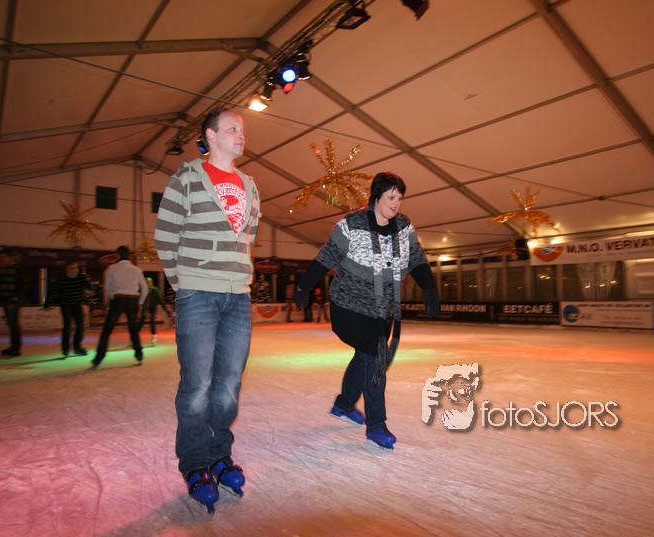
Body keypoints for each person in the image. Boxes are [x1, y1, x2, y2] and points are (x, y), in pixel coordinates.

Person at [154, 107, 260, 513]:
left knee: (228, 386)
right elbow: (166, 236)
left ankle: (219, 454)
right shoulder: (186, 179)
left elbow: (248, 236)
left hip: (238, 296)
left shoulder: (250, 185)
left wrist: (239, 277)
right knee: (197, 386)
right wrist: (185, 284)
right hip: (198, 293)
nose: (240, 134)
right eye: (232, 128)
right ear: (210, 136)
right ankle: (196, 462)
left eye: (242, 129)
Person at [294, 172, 440, 450]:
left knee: (365, 357)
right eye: (391, 197)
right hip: (349, 307)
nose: (396, 203)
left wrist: (430, 289)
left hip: (383, 311)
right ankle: (376, 425)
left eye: (399, 198)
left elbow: (416, 258)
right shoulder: (352, 224)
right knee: (374, 358)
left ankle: (344, 404)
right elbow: (326, 257)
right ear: (376, 196)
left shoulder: (403, 226)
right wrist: (304, 286)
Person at [91, 246, 149, 368]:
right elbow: (145, 288)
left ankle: (98, 358)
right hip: (133, 300)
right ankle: (139, 355)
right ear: (129, 256)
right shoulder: (137, 270)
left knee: (107, 330)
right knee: (133, 329)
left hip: (118, 299)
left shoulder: (111, 268)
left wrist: (114, 298)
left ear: (117, 255)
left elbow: (107, 287)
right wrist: (140, 303)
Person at [44, 261, 92, 357]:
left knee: (80, 327)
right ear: (67, 269)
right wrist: (47, 303)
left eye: (76, 268)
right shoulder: (61, 279)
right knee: (67, 327)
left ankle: (77, 348)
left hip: (77, 305)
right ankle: (65, 349)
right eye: (72, 268)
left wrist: (90, 290)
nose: (74, 270)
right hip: (66, 306)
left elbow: (90, 286)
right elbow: (53, 291)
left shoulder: (81, 278)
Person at [0, 247, 24, 357]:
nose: (2, 259)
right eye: (0, 258)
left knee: (13, 324)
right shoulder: (2, 269)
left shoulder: (18, 268)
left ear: (10, 257)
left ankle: (16, 348)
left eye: (3, 257)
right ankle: (13, 346)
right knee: (10, 324)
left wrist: (13, 300)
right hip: (5, 299)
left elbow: (20, 286)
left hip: (12, 300)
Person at [139, 277, 173, 345]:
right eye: (147, 282)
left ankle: (154, 338)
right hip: (145, 307)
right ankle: (134, 337)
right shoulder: (142, 290)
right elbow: (139, 299)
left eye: (150, 282)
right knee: (141, 322)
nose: (149, 284)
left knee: (152, 321)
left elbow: (161, 300)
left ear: (152, 283)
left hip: (153, 307)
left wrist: (167, 311)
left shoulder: (155, 290)